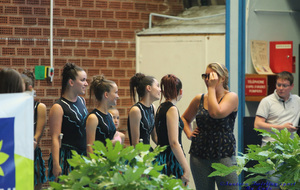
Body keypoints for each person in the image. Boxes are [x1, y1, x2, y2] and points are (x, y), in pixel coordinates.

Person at [181, 62, 239, 190]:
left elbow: (215, 113)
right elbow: (184, 118)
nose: (208, 80)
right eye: (205, 76)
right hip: (199, 155)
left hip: (223, 154)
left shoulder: (231, 97)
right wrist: (189, 133)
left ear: (222, 78)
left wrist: (211, 89)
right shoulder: (199, 99)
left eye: (212, 76)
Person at [254, 71, 299, 190]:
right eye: (278, 85)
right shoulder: (267, 101)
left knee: (292, 185)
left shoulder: (297, 100)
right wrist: (281, 127)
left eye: (284, 86)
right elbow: (257, 125)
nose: (281, 88)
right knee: (274, 184)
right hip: (272, 149)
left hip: (291, 150)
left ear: (291, 86)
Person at [48, 63, 88, 181]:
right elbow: (55, 137)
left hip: (82, 155)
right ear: (71, 82)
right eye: (83, 80)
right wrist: (56, 164)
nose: (86, 83)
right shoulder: (58, 107)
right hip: (67, 158)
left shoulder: (82, 101)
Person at [155, 74, 190, 185]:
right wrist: (186, 168)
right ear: (180, 92)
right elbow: (174, 142)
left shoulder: (161, 107)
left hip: (161, 156)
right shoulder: (172, 109)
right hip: (171, 160)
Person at [22, 70, 47, 190]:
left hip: (32, 151)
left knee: (35, 185)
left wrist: (33, 142)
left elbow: (38, 133)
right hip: (17, 151)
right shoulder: (16, 105)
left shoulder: (39, 107)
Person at [86, 75, 119, 155]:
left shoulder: (110, 116)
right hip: (99, 163)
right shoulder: (93, 118)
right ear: (106, 95)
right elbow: (90, 147)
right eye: (115, 92)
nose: (117, 96)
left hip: (109, 161)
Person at [127, 73, 161, 147]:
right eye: (157, 86)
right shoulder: (136, 110)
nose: (160, 90)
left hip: (148, 152)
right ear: (148, 88)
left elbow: (155, 137)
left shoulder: (153, 108)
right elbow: (135, 143)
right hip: (139, 155)